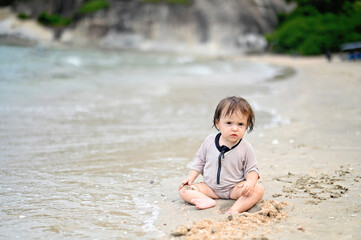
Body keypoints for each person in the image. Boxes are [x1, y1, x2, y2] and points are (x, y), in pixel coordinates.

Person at [179, 96, 264, 214]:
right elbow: (200, 161)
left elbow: (252, 170)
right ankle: (206, 200)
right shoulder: (209, 141)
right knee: (184, 190)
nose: (234, 128)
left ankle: (235, 209)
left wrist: (250, 183)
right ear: (218, 124)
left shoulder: (246, 148)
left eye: (240, 124)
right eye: (229, 123)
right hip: (210, 188)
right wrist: (191, 177)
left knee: (258, 189)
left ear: (247, 126)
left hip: (234, 189)